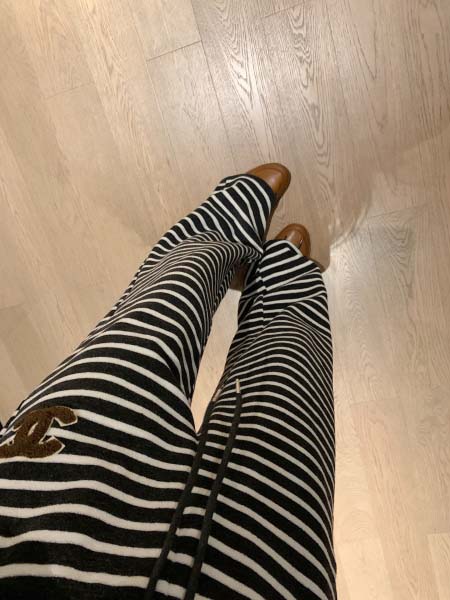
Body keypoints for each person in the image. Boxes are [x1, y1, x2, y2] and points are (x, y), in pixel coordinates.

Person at [0, 164, 336, 599]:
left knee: (155, 320)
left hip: (31, 517)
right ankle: (286, 280)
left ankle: (224, 231)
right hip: (254, 582)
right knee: (288, 378)